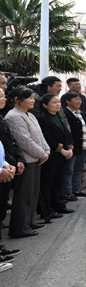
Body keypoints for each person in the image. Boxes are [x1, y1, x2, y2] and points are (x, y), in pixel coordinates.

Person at [6, 87, 50, 237]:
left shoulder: (29, 114)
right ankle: (20, 228)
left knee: (33, 193)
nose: (33, 101)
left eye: (33, 97)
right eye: (29, 98)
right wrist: (42, 154)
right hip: (27, 159)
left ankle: (29, 221)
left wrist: (46, 151)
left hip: (36, 158)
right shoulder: (13, 116)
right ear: (17, 99)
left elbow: (40, 136)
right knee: (24, 195)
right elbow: (24, 141)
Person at [35, 94, 74, 219]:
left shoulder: (59, 117)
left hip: (63, 155)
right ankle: (47, 210)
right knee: (47, 184)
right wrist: (61, 150)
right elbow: (47, 138)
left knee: (58, 182)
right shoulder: (42, 119)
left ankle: (59, 205)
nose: (58, 104)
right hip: (51, 156)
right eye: (54, 102)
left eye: (58, 102)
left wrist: (70, 148)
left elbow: (68, 134)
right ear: (45, 105)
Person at [0, 89, 26, 231]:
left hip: (6, 166)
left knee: (3, 201)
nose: (4, 99)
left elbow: (8, 143)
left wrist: (7, 164)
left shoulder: (1, 117)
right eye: (1, 96)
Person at [62, 92, 86, 199]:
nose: (79, 101)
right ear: (67, 101)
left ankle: (77, 189)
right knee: (69, 170)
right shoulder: (65, 113)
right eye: (76, 99)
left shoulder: (81, 113)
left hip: (84, 145)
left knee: (79, 169)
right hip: (73, 146)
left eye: (80, 99)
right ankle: (67, 192)